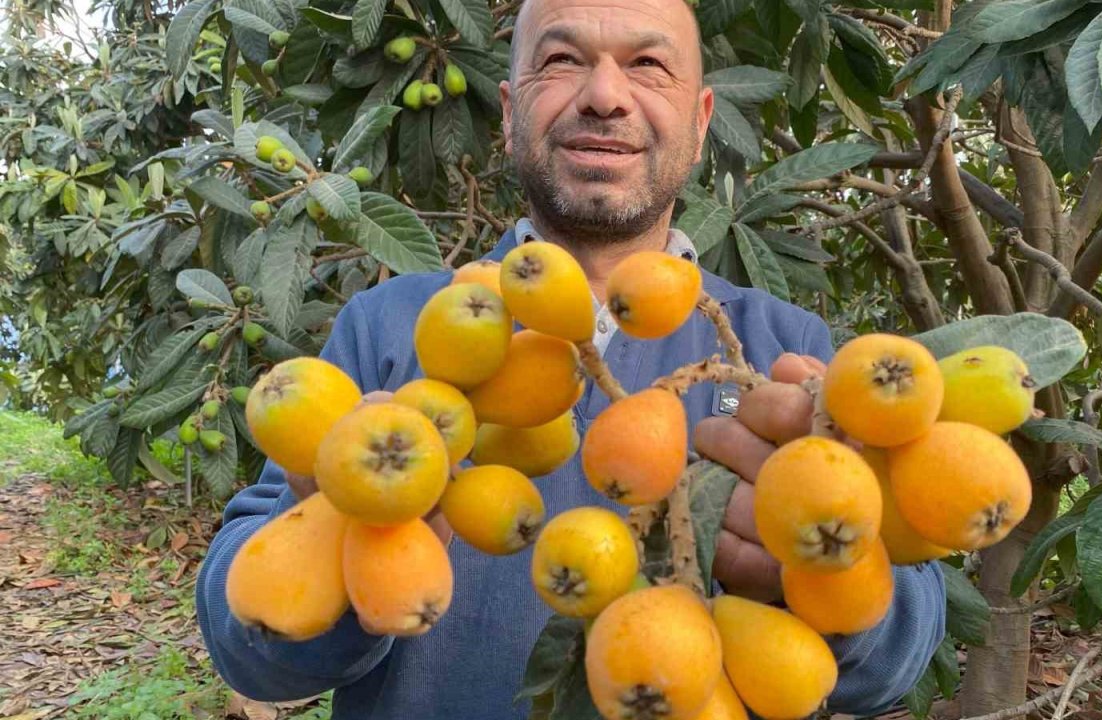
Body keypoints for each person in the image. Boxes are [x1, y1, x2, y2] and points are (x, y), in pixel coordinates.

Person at [195, 0, 947, 716]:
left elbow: (896, 657)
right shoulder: (389, 323)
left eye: (648, 64)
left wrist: (813, 571)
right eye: (561, 60)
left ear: (701, 121)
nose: (605, 96)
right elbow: (250, 643)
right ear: (509, 112)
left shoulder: (781, 344)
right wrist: (340, 527)